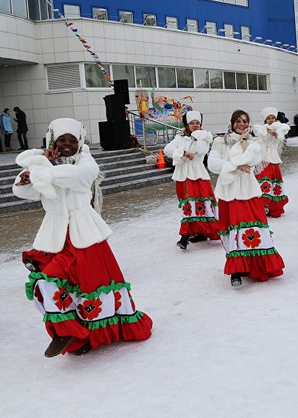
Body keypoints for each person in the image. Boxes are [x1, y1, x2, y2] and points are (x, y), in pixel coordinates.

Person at [13, 118, 152, 357]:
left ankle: (95, 334)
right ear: (52, 142)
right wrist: (29, 175)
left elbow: (79, 177)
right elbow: (23, 191)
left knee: (89, 286)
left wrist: (42, 169)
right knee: (51, 284)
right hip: (55, 233)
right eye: (61, 140)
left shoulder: (86, 161)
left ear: (80, 142)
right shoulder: (46, 166)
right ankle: (71, 332)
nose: (67, 144)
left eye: (72, 140)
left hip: (84, 233)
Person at [208, 110, 285, 287]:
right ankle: (236, 269)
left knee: (253, 228)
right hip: (228, 192)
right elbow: (213, 163)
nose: (241, 124)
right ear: (232, 122)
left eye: (245, 121)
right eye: (238, 121)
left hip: (248, 191)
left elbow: (255, 160)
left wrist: (244, 141)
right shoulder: (221, 141)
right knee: (232, 229)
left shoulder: (254, 142)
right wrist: (235, 166)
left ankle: (256, 264)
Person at [163, 111, 219, 249]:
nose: (195, 126)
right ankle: (199, 232)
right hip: (183, 175)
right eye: (192, 123)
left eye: (197, 123)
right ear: (186, 125)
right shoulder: (179, 138)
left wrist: (200, 136)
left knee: (197, 203)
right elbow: (167, 149)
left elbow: (201, 151)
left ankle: (185, 236)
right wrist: (182, 153)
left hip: (198, 175)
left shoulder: (204, 138)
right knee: (188, 204)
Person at [253, 107, 290, 217]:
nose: (271, 120)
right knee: (264, 182)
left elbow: (282, 133)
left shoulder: (280, 128)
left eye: (272, 117)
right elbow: (257, 130)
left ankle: (274, 207)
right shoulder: (262, 128)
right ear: (265, 120)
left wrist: (275, 131)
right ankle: (263, 205)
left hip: (274, 160)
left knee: (274, 184)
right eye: (268, 118)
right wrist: (268, 129)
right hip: (263, 160)